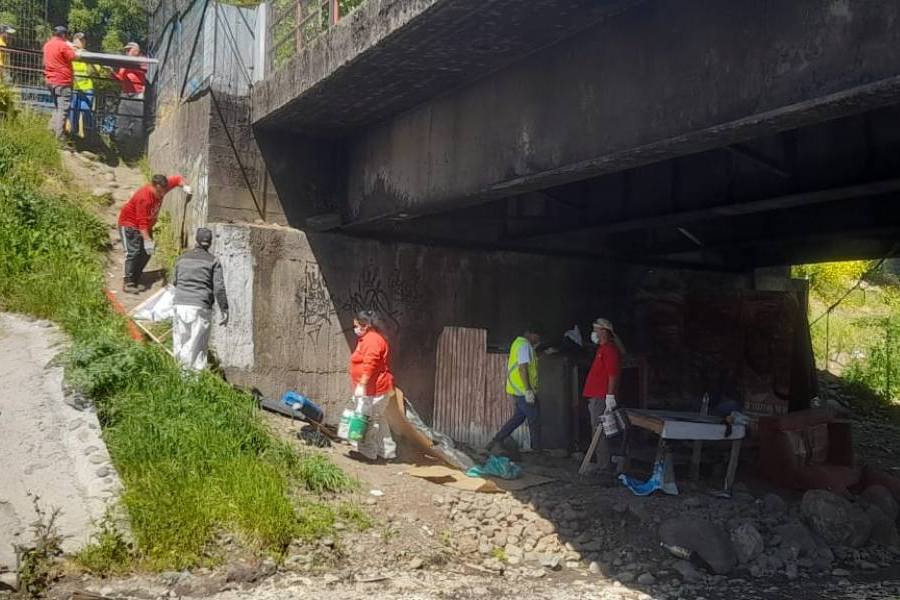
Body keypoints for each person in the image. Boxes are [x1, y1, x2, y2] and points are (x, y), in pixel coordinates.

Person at [117, 173, 191, 293]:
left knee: (147, 253)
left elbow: (177, 179)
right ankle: (128, 283)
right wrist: (147, 240)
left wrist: (185, 186)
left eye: (164, 191)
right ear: (154, 186)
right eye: (159, 192)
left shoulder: (163, 187)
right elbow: (142, 223)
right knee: (133, 252)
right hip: (130, 225)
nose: (162, 195)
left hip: (146, 226)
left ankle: (136, 279)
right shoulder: (144, 198)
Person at [172, 228, 228, 371]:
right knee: (197, 347)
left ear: (196, 240)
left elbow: (175, 281)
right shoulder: (213, 261)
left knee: (181, 343)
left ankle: (177, 379)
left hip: (179, 305)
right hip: (200, 307)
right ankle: (191, 385)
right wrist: (225, 309)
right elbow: (219, 288)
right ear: (209, 243)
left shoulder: (182, 258)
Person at [348, 310, 397, 461]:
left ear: (366, 325)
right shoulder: (370, 338)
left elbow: (370, 364)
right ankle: (387, 451)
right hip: (376, 388)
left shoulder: (372, 340)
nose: (355, 329)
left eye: (356, 326)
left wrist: (362, 384)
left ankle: (367, 452)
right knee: (378, 418)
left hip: (374, 389)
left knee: (368, 420)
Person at [488, 325, 543, 453]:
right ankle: (537, 451)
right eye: (537, 336)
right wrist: (528, 390)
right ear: (529, 333)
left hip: (518, 390)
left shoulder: (518, 343)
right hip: (523, 391)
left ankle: (496, 440)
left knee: (518, 418)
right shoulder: (524, 346)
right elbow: (522, 368)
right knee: (535, 419)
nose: (538, 339)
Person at [582, 318, 624, 469]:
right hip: (597, 396)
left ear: (603, 331)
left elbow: (613, 375)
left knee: (600, 430)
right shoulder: (602, 349)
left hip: (601, 397)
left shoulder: (609, 350)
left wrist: (610, 396)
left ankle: (603, 464)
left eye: (596, 329)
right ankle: (603, 462)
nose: (594, 333)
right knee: (599, 429)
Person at [43, 25, 78, 139]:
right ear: (63, 35)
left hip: (50, 80)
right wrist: (71, 46)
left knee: (58, 107)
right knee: (63, 110)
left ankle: (50, 131)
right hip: (62, 81)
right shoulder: (63, 45)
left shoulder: (47, 45)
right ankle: (60, 136)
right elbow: (73, 56)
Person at [68, 33, 98, 138]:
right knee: (73, 110)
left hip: (87, 87)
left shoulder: (88, 54)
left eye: (83, 40)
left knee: (86, 111)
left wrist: (89, 61)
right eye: (79, 40)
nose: (81, 42)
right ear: (74, 41)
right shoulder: (69, 52)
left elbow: (96, 70)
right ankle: (73, 134)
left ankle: (88, 135)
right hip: (74, 87)